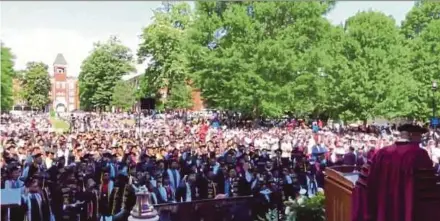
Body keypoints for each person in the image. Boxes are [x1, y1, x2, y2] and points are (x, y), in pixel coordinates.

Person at [351, 124, 436, 221]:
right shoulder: (419, 154)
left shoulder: (382, 152)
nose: (420, 139)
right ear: (411, 135)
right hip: (406, 207)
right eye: (419, 135)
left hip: (383, 206)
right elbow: (428, 187)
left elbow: (364, 179)